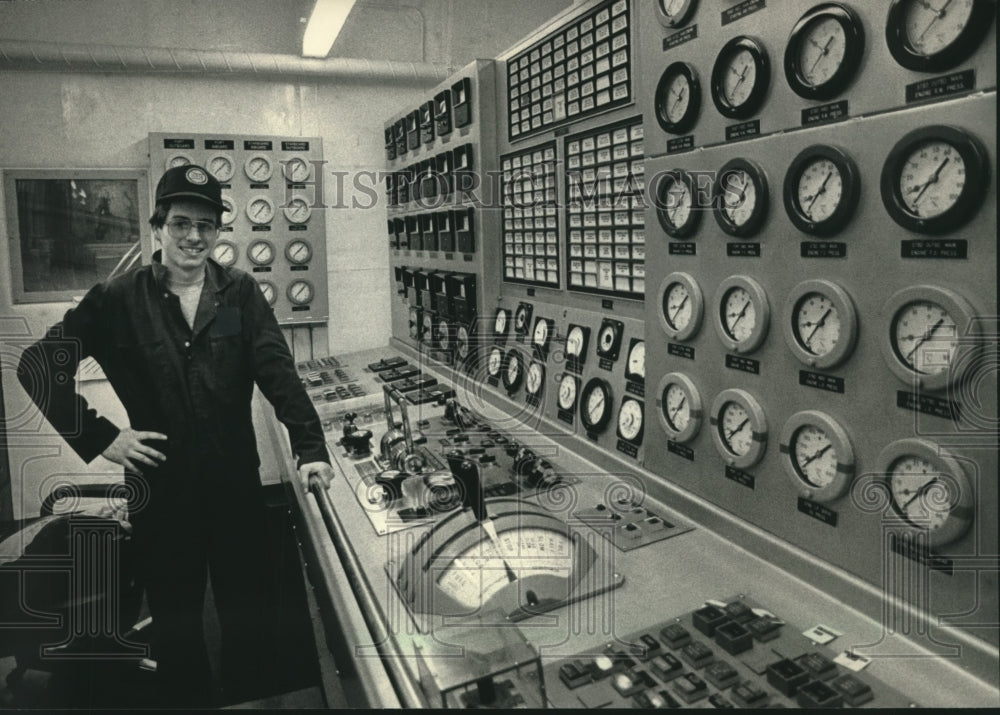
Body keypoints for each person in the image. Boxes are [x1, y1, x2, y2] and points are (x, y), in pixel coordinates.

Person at [17, 164, 334, 706]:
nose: (194, 236)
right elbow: (39, 365)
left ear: (218, 233)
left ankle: (250, 698)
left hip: (235, 484)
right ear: (158, 225)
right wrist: (103, 438)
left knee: (248, 613)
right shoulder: (117, 299)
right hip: (160, 494)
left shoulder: (239, 294)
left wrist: (311, 449)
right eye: (182, 222)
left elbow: (278, 373)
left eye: (207, 226)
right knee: (178, 622)